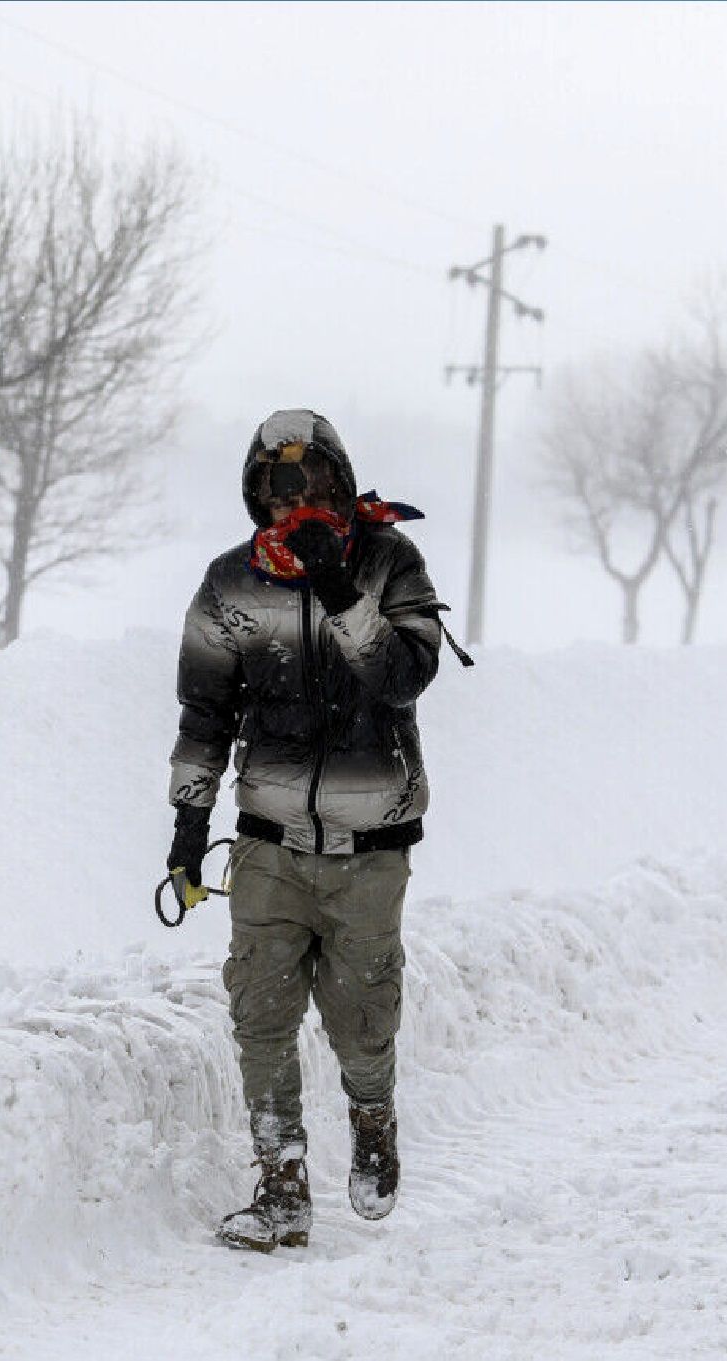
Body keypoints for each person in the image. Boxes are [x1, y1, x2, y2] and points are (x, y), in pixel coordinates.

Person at [165, 408, 453, 1252]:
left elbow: (404, 675)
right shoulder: (230, 582)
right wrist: (189, 818)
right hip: (268, 843)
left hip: (371, 846)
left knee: (362, 1014)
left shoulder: (391, 562)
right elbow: (203, 710)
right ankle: (282, 1183)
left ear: (337, 475)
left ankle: (372, 1122)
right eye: (274, 483)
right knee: (259, 1013)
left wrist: (338, 589)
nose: (292, 497)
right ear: (254, 492)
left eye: (309, 478)